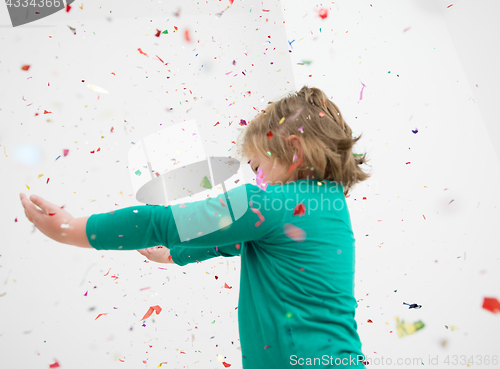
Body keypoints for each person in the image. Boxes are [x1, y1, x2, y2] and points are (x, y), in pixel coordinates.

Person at [20, 85, 372, 368]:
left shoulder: (271, 204)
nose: (257, 179)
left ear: (293, 151)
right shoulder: (327, 207)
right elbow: (234, 243)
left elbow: (161, 222)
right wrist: (176, 255)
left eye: (257, 168)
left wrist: (71, 229)